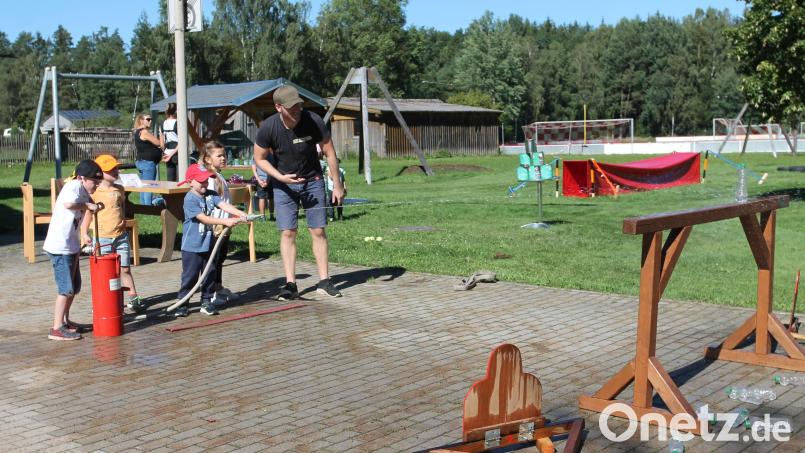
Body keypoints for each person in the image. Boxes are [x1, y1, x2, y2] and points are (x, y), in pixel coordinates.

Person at [253, 85, 344, 300]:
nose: (297, 110)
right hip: (284, 184)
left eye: (299, 105)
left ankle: (324, 281)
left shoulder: (313, 120)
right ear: (278, 107)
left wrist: (337, 183)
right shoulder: (269, 128)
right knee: (288, 232)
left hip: (313, 181)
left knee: (318, 230)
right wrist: (279, 177)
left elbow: (330, 152)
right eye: (291, 107)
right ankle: (290, 284)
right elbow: (259, 158)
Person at [174, 164, 248, 317]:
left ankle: (206, 301)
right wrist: (224, 222)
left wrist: (240, 213)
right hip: (192, 246)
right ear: (190, 182)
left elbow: (223, 205)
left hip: (209, 243)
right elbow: (203, 218)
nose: (205, 184)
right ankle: (182, 302)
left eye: (207, 181)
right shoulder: (190, 199)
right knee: (191, 275)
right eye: (201, 181)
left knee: (210, 273)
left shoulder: (211, 194)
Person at [43, 160, 103, 340]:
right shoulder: (74, 187)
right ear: (82, 178)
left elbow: (90, 208)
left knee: (74, 287)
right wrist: (87, 206)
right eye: (94, 181)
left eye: (98, 182)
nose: (97, 185)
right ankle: (56, 327)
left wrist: (86, 230)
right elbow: (68, 205)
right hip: (59, 247)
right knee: (66, 289)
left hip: (71, 246)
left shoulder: (83, 189)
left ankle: (65, 321)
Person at [80, 154, 145, 314]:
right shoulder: (95, 192)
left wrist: (123, 220)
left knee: (125, 268)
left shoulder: (119, 189)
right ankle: (109, 299)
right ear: (100, 172)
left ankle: (133, 296)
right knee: (107, 272)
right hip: (102, 238)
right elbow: (88, 214)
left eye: (117, 168)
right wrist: (84, 233)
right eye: (111, 169)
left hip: (120, 236)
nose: (116, 171)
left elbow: (121, 207)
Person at [199, 141, 240, 306]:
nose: (223, 158)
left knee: (220, 258)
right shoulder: (209, 179)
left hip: (225, 226)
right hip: (216, 226)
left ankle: (218, 286)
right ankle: (210, 293)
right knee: (212, 261)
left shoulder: (219, 175)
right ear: (208, 159)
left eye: (224, 155)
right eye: (219, 155)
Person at [133, 112, 164, 205]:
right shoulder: (144, 132)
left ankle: (144, 206)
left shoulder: (137, 131)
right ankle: (148, 207)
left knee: (144, 186)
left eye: (151, 119)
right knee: (149, 187)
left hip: (141, 162)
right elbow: (159, 144)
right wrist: (162, 135)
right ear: (141, 120)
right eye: (148, 119)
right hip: (148, 163)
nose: (150, 121)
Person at [251, 152, 275, 221]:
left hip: (263, 180)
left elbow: (254, 169)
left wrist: (259, 180)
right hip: (266, 180)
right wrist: (264, 181)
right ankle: (270, 216)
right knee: (269, 198)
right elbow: (271, 169)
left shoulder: (256, 154)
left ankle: (263, 217)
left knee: (263, 198)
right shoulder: (270, 155)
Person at [160, 103, 179, 182]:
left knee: (170, 179)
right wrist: (172, 154)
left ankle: (170, 194)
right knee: (181, 178)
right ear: (176, 111)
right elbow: (181, 142)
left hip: (167, 152)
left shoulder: (162, 124)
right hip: (177, 153)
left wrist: (164, 153)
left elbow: (162, 143)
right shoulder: (178, 123)